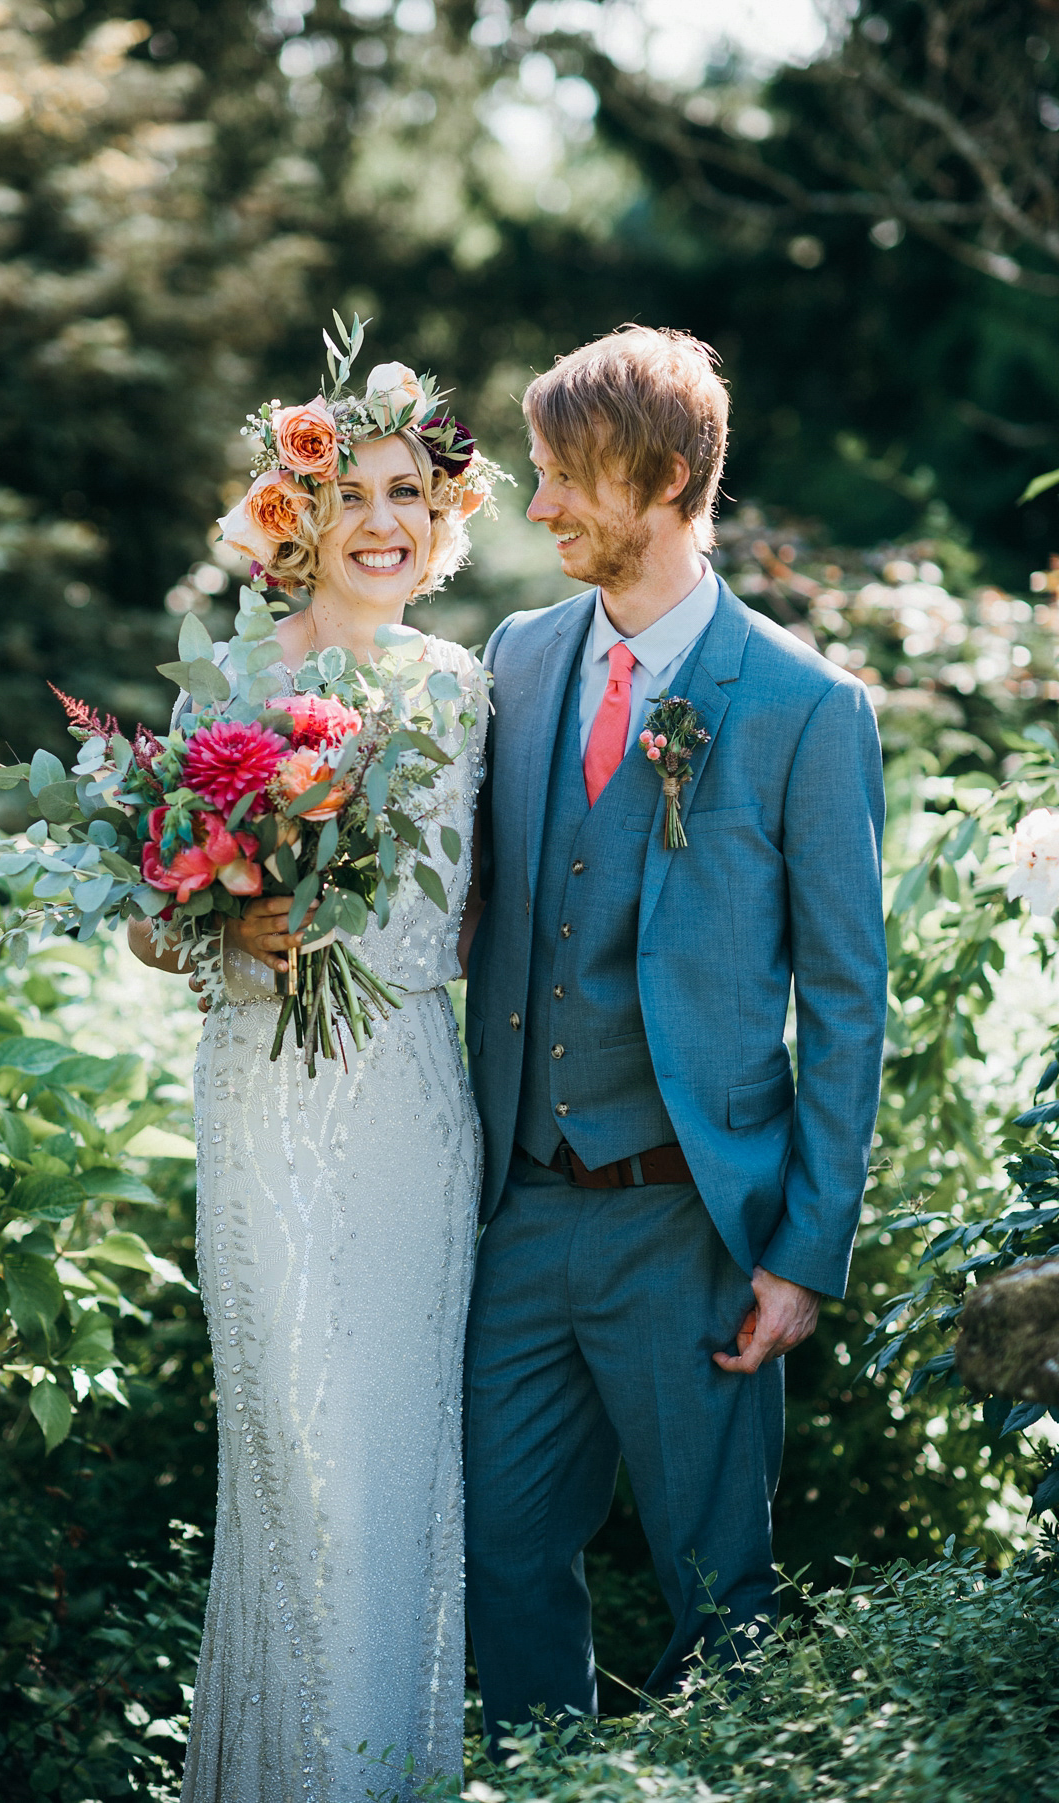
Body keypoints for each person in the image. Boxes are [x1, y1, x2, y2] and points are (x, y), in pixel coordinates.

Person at [461, 326, 887, 1741]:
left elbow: (844, 1001)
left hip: (694, 1229)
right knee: (503, 1554)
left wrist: (804, 1253)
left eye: (563, 479)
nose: (540, 510)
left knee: (718, 1590)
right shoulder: (515, 662)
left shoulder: (807, 709)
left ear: (661, 480)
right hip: (520, 1209)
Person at [129, 363, 496, 1803]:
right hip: (269, 1096)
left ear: (445, 513)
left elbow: (484, 923)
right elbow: (154, 920)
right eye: (353, 493)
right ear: (299, 512)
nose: (384, 521)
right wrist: (232, 920)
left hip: (410, 1101)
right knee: (303, 1463)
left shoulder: (470, 689)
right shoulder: (230, 680)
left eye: (412, 493)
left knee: (394, 1463)